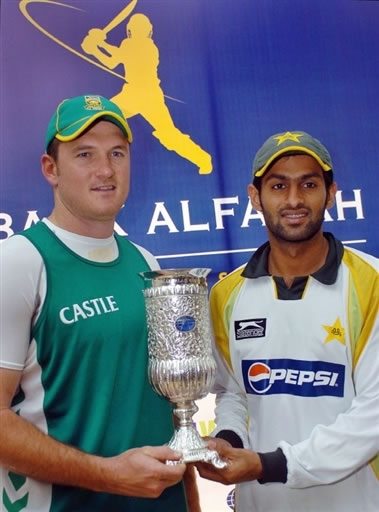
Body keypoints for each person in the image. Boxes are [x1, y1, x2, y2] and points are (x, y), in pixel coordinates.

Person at [0, 94, 200, 511]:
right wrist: (109, 475)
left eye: (117, 153)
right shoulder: (19, 262)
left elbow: (169, 414)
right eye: (85, 154)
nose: (105, 170)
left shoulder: (145, 262)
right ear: (50, 169)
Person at [195, 131, 379, 512]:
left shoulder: (371, 284)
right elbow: (233, 392)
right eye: (278, 186)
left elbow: (373, 415)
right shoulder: (226, 295)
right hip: (262, 501)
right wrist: (229, 438)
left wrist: (272, 465)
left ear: (330, 193)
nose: (294, 200)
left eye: (308, 184)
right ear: (255, 197)